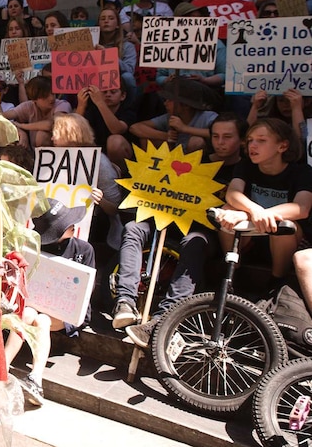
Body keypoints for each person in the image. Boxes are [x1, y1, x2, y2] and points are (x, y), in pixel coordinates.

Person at [122, 114, 246, 343]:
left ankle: (164, 318)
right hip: (168, 224)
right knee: (132, 227)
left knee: (194, 241)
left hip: (209, 234)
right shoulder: (197, 162)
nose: (221, 142)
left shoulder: (243, 169)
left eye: (227, 137)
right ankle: (125, 301)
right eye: (216, 136)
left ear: (241, 140)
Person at [4, 198, 95, 406]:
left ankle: (36, 378)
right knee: (27, 315)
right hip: (33, 306)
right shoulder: (34, 249)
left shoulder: (84, 250)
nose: (72, 226)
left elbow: (85, 293)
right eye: (65, 225)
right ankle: (1, 367)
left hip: (64, 313)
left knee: (43, 320)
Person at [214, 118, 312, 289]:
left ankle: (276, 283)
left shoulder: (301, 172)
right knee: (227, 210)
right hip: (251, 237)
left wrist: (259, 214)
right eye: (250, 140)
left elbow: (301, 208)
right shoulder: (245, 166)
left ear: (282, 146)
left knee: (284, 224)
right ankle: (232, 276)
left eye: (261, 140)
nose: (253, 145)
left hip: (286, 242)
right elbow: (232, 193)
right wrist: (254, 211)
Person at [50, 114, 125, 247]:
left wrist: (101, 200)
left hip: (93, 233)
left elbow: (115, 209)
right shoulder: (52, 158)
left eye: (56, 133)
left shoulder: (99, 163)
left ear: (70, 134)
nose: (52, 138)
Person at [130, 77, 218, 152]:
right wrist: (166, 136)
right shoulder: (169, 117)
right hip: (171, 158)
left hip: (194, 164)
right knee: (146, 137)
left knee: (196, 141)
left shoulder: (207, 117)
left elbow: (218, 133)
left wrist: (185, 128)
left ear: (186, 105)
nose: (165, 103)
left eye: (170, 100)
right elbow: (135, 128)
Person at [2, 75, 71, 150]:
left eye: (53, 94)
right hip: (36, 152)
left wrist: (22, 126)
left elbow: (52, 124)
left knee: (41, 136)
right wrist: (20, 132)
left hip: (62, 152)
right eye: (45, 96)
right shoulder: (28, 106)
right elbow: (2, 117)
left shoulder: (62, 104)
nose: (51, 98)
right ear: (34, 99)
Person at [75, 82, 134, 168]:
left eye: (113, 92)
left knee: (114, 141)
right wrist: (81, 105)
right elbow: (73, 130)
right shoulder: (93, 111)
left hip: (123, 158)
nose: (108, 95)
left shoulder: (127, 111)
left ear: (123, 96)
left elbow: (116, 130)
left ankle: (119, 176)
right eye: (104, 92)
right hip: (98, 154)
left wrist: (100, 102)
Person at [96, 5, 137, 96]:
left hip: (118, 83)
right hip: (97, 79)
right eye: (102, 19)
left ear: (118, 25)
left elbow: (130, 70)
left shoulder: (127, 46)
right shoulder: (92, 45)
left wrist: (108, 55)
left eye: (111, 18)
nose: (106, 21)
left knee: (128, 77)